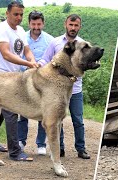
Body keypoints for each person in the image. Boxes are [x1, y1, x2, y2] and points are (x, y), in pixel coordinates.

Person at [38, 14, 90, 159]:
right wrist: (38, 67)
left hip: (76, 89)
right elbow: (45, 59)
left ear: (80, 26)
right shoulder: (55, 43)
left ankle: (81, 149)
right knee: (57, 119)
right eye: (71, 25)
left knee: (78, 120)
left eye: (76, 25)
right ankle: (59, 149)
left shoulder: (83, 45)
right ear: (65, 24)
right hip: (57, 91)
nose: (73, 28)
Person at [0, 1, 38, 161]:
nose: (19, 18)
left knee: (1, 113)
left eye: (21, 15)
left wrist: (32, 60)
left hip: (15, 76)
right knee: (11, 112)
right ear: (7, 13)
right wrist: (27, 63)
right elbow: (5, 54)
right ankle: (15, 152)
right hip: (0, 76)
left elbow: (26, 50)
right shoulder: (1, 29)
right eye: (15, 14)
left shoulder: (20, 30)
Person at [17, 10, 54, 155]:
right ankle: (21, 141)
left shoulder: (50, 40)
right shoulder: (21, 38)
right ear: (29, 23)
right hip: (23, 79)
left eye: (39, 24)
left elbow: (52, 60)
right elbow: (16, 57)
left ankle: (41, 144)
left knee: (43, 112)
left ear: (43, 24)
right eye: (34, 24)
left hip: (43, 82)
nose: (36, 27)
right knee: (22, 110)